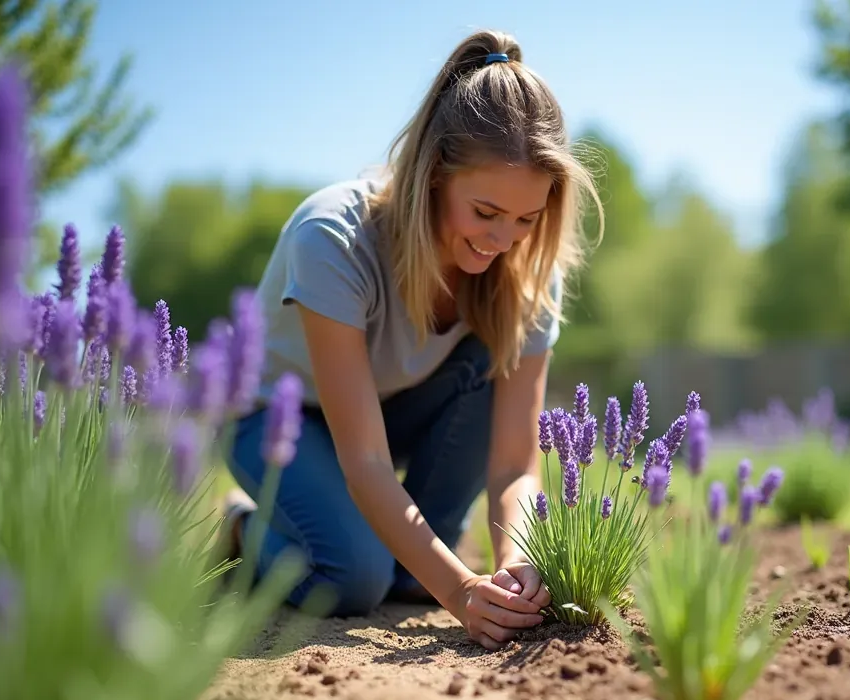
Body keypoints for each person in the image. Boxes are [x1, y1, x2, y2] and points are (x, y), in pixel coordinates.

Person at [220, 29, 602, 651]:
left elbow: (513, 466)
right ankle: (241, 526)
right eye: (484, 212)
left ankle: (407, 558)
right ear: (434, 176)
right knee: (354, 578)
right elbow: (366, 463)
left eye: (527, 219)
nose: (503, 239)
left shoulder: (530, 275)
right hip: (277, 421)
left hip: (397, 411)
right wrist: (461, 594)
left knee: (410, 577)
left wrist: (516, 563)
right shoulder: (333, 239)